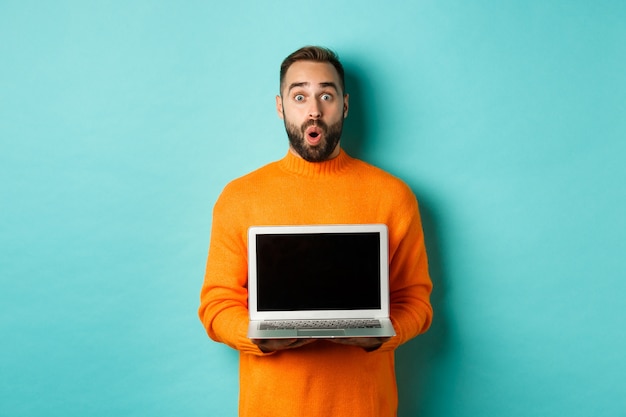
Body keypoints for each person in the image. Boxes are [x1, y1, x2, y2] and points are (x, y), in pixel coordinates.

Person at [198, 45, 433, 417]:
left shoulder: (393, 196)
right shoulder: (239, 197)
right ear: (280, 107)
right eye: (299, 96)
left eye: (326, 95)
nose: (314, 109)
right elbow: (216, 304)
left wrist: (382, 336)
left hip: (365, 408)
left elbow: (417, 302)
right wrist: (259, 337)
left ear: (345, 105)